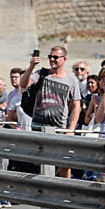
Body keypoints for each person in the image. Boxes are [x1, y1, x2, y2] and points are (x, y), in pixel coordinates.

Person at [20, 45, 81, 178]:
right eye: (50, 57)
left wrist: (70, 130)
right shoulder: (41, 74)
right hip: (38, 127)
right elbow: (23, 85)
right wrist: (31, 67)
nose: (52, 60)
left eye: (55, 57)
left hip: (59, 128)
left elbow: (76, 106)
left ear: (64, 59)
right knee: (38, 165)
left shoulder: (71, 80)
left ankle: (64, 190)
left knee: (63, 163)